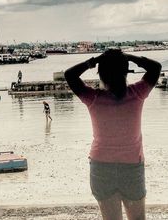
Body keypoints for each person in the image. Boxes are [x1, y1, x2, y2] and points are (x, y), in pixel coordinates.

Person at [64, 49, 161, 220]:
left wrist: (93, 61)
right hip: (131, 166)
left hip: (102, 166)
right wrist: (130, 57)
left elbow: (70, 75)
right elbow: (155, 68)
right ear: (125, 72)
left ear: (101, 74)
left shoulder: (93, 97)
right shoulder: (137, 93)